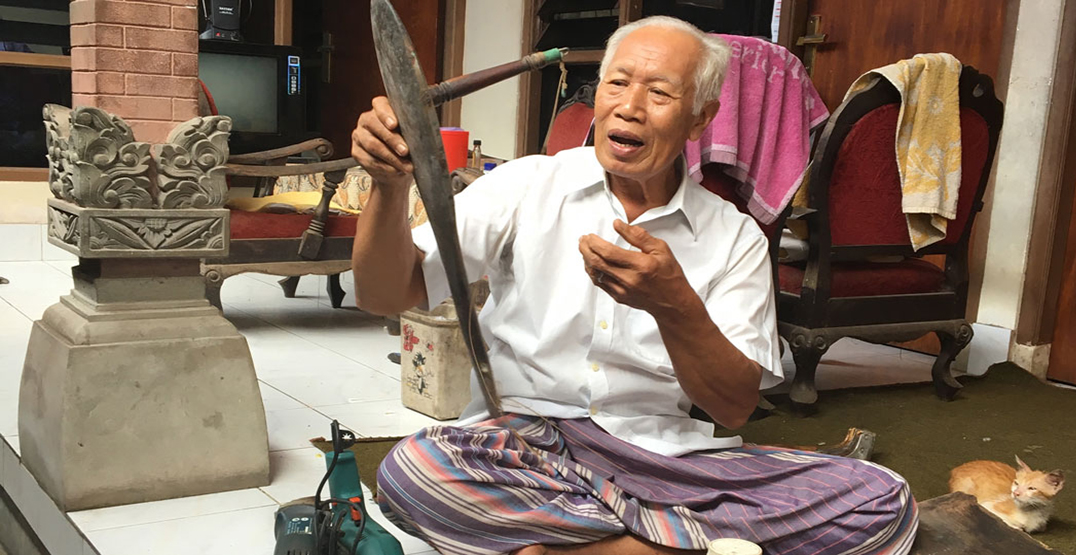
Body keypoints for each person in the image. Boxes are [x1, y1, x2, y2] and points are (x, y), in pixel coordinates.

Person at [350, 15, 917, 555]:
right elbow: (384, 294)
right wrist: (388, 189)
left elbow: (735, 407)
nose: (629, 107)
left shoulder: (734, 237)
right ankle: (672, 543)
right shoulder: (528, 185)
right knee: (413, 470)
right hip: (523, 446)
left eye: (660, 94)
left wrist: (675, 308)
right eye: (617, 83)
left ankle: (562, 545)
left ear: (701, 118)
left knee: (880, 500)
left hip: (666, 462)